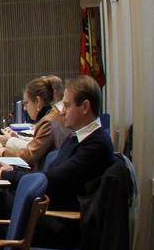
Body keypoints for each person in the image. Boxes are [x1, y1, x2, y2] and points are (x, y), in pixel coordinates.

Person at [40, 78, 114, 211]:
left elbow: (53, 179)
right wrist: (11, 171)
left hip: (56, 218)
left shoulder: (96, 146)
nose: (62, 112)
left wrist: (5, 175)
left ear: (85, 107)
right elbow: (52, 174)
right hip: (46, 205)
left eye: (67, 106)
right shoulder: (76, 137)